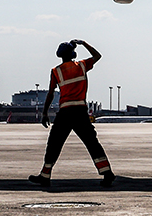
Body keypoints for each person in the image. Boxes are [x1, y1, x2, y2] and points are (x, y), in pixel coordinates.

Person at [29, 39, 116, 187]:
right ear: (73, 53)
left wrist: (44, 113)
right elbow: (97, 55)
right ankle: (107, 173)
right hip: (80, 111)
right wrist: (84, 43)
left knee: (54, 144)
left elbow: (50, 94)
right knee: (92, 143)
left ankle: (45, 175)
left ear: (59, 55)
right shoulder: (82, 65)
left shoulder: (56, 71)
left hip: (65, 112)